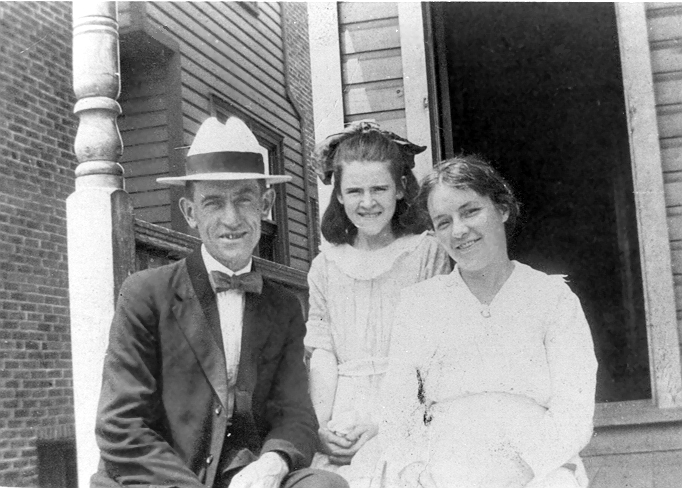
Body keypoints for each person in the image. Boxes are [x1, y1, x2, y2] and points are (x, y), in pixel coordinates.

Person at [91, 117, 348, 488]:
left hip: (244, 477)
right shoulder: (145, 293)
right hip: (160, 477)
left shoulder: (284, 306)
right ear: (190, 213)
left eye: (244, 199)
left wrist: (272, 464)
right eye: (213, 202)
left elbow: (294, 411)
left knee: (324, 486)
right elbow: (120, 426)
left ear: (266, 204)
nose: (232, 219)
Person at [371, 155, 598, 488]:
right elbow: (397, 410)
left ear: (502, 209)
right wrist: (414, 471)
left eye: (470, 211)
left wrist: (524, 469)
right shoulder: (419, 305)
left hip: (534, 463)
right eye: (443, 221)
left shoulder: (551, 298)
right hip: (441, 465)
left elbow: (574, 410)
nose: (459, 230)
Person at [305, 121, 452, 487]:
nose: (367, 202)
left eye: (379, 189)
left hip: (407, 409)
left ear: (401, 189)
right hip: (344, 414)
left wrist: (383, 424)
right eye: (354, 190)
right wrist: (320, 427)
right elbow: (323, 355)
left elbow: (430, 355)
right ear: (338, 195)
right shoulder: (325, 265)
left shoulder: (426, 253)